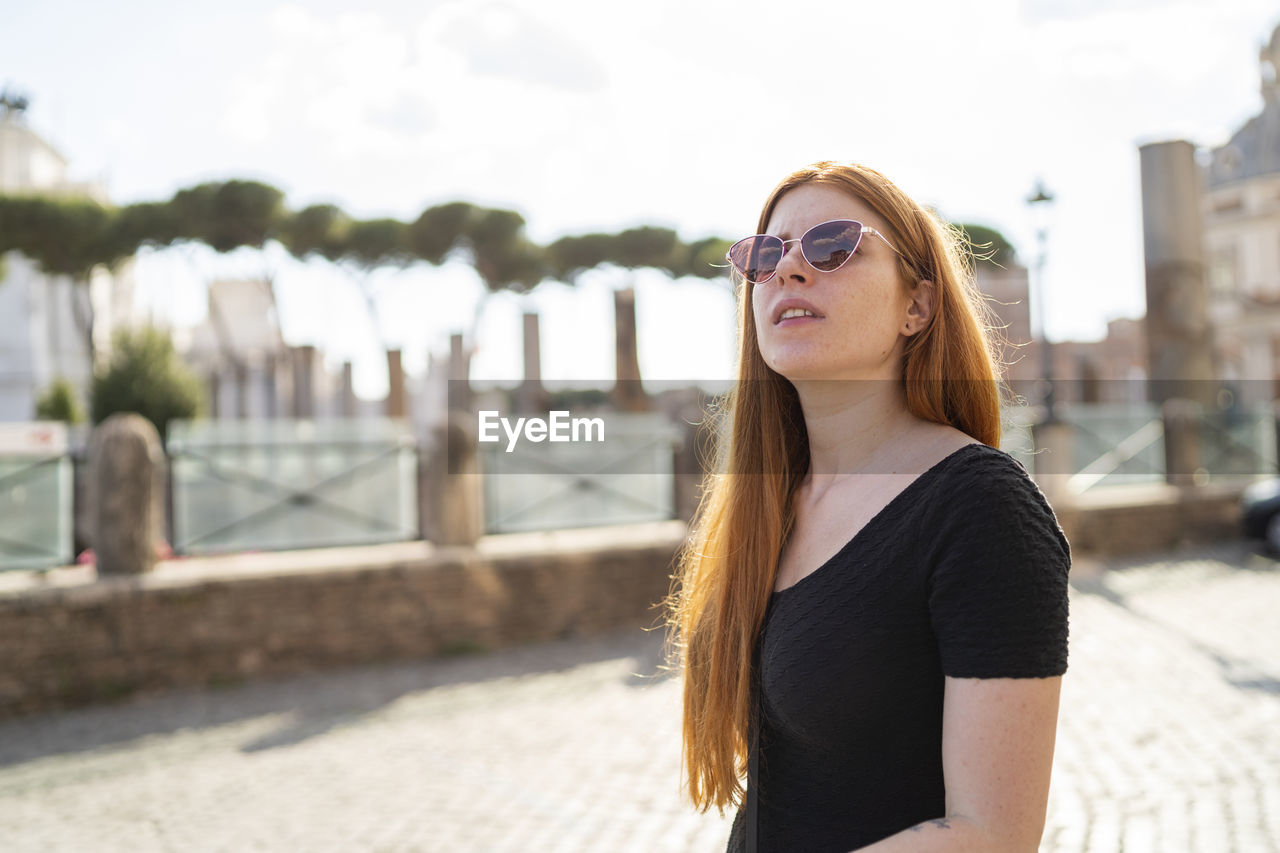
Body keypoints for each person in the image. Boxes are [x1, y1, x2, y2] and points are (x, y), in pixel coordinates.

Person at [665, 161, 1070, 852]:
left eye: (832, 246)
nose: (788, 270)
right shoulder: (767, 503)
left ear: (917, 304)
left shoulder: (982, 509)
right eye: (765, 254)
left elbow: (992, 835)